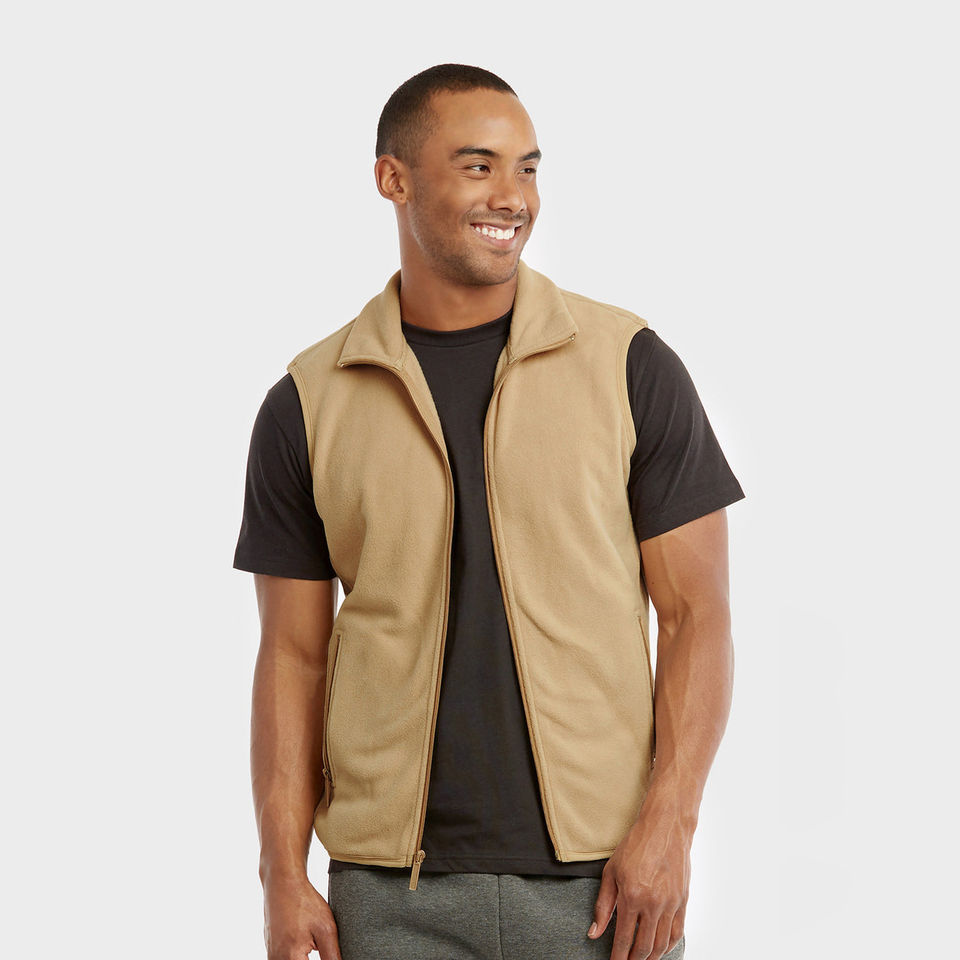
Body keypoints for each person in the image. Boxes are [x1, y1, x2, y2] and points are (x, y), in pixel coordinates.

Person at [234, 63, 745, 960]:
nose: (513, 196)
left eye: (528, 168)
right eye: (478, 166)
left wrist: (671, 825)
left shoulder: (629, 365)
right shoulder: (309, 403)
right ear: (393, 178)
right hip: (389, 897)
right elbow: (292, 655)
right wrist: (282, 872)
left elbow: (696, 614)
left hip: (606, 887)